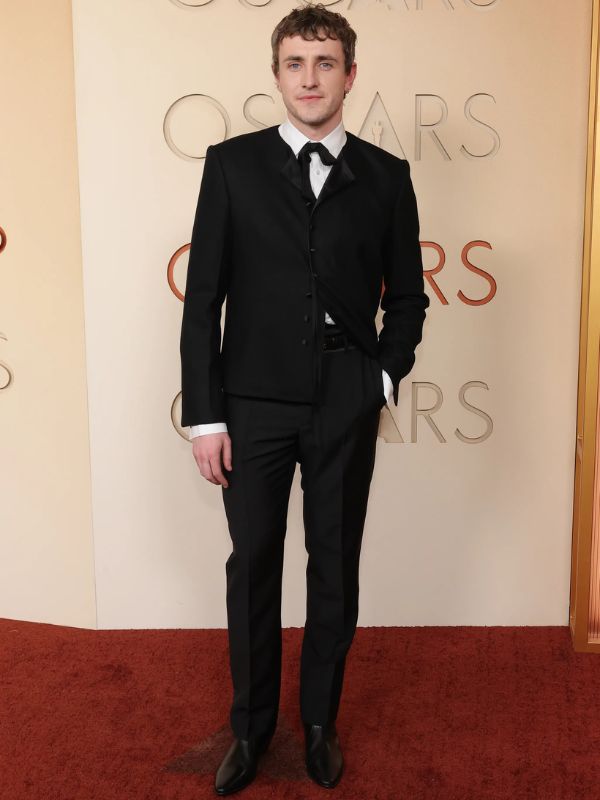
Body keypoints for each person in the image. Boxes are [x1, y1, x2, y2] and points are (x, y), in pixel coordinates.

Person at [179, 3, 429, 793]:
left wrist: (380, 377)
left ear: (350, 76)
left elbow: (409, 300)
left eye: (325, 64)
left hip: (344, 400)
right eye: (295, 63)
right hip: (251, 404)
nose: (310, 78)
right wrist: (206, 416)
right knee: (252, 564)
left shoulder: (386, 177)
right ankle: (251, 730)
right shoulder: (231, 166)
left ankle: (319, 723)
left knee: (335, 564)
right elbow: (204, 299)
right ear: (278, 75)